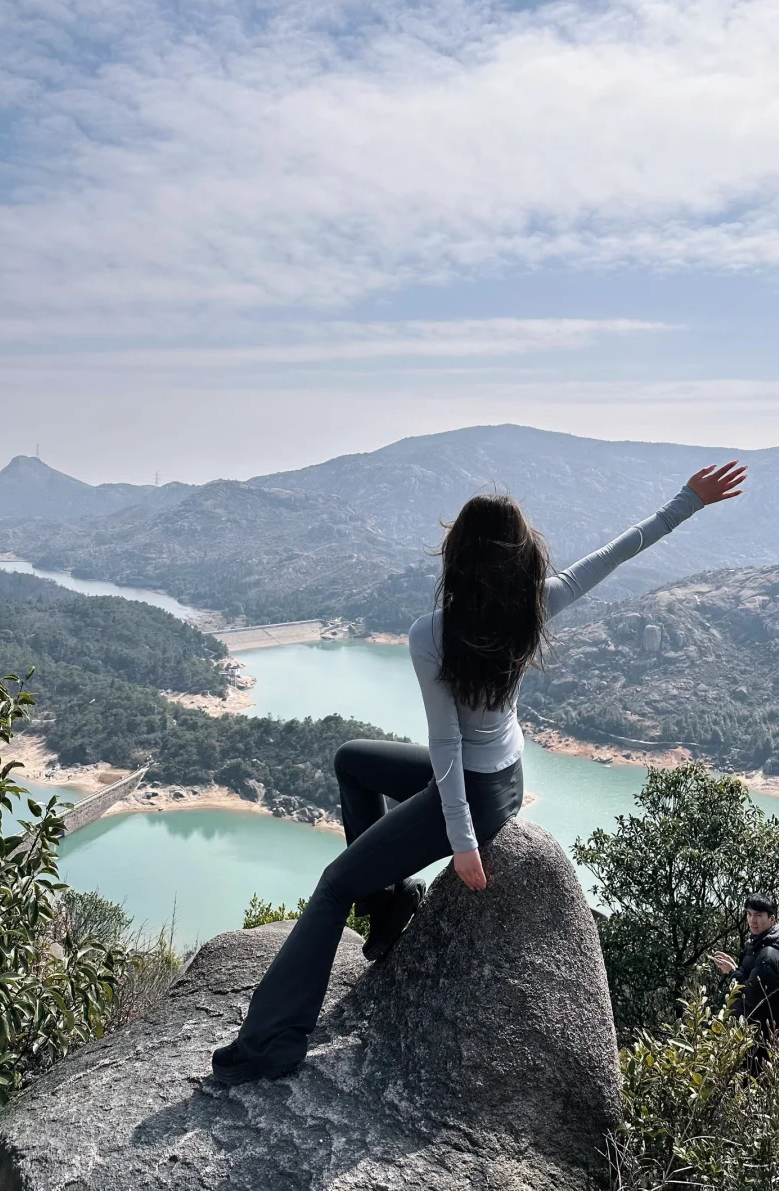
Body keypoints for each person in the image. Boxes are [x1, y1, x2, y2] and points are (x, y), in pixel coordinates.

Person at [212, 459, 748, 1085]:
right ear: (520, 557)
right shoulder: (536, 604)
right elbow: (616, 554)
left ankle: (271, 1045)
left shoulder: (432, 633)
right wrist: (686, 501)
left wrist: (463, 844)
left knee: (334, 887)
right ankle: (389, 909)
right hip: (504, 779)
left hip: (472, 792)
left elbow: (445, 747)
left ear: (457, 559)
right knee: (352, 761)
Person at [711, 894, 779, 1038]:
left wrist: (732, 972)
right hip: (753, 1033)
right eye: (749, 914)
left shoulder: (769, 954)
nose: (752, 920)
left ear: (772, 918)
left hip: (759, 1036)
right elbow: (752, 980)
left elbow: (751, 997)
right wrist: (735, 968)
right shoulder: (758, 944)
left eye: (758, 915)